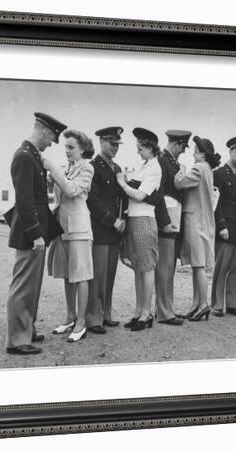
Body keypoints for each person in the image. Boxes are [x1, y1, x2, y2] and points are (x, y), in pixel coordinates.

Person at [6, 112, 67, 355]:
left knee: (32, 286)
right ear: (44, 131)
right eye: (52, 138)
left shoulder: (32, 156)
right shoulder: (24, 157)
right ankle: (17, 340)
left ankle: (27, 330)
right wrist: (35, 234)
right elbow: (25, 201)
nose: (51, 143)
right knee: (23, 286)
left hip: (37, 232)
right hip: (31, 235)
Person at [44, 130, 95, 342]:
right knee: (67, 274)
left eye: (71, 147)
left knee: (80, 275)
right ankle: (70, 316)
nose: (67, 151)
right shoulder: (65, 168)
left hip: (80, 228)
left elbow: (72, 190)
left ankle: (81, 322)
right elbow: (57, 191)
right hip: (63, 227)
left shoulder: (87, 168)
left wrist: (53, 171)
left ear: (82, 149)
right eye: (65, 147)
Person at [116, 127, 162, 332]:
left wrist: (122, 184)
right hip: (135, 219)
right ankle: (138, 312)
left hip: (144, 219)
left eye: (140, 148)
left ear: (150, 148)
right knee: (138, 268)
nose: (138, 152)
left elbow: (141, 195)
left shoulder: (154, 168)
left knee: (147, 268)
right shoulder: (144, 167)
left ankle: (147, 313)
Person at [174, 136, 221, 321]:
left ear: (202, 154)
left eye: (195, 151)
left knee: (199, 265)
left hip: (195, 221)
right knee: (197, 264)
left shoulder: (198, 168)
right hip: (204, 221)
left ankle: (203, 305)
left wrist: (179, 171)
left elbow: (179, 183)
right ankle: (196, 304)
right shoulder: (208, 169)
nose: (193, 153)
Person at [85, 127, 127, 335]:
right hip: (101, 228)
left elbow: (122, 198)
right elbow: (92, 200)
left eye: (117, 144)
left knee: (110, 274)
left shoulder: (117, 168)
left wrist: (123, 220)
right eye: (112, 144)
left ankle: (106, 313)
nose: (115, 148)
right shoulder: (94, 167)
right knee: (98, 275)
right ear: (101, 142)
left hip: (115, 230)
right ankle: (94, 317)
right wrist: (113, 221)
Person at [153, 130, 192, 326]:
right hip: (166, 223)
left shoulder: (172, 162)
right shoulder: (162, 161)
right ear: (177, 143)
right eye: (183, 148)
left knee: (169, 267)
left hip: (174, 221)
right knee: (164, 268)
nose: (182, 152)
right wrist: (164, 221)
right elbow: (159, 193)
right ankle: (164, 312)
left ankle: (166, 308)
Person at [211, 136, 236, 317]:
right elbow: (215, 203)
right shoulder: (219, 174)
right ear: (230, 151)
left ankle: (233, 304)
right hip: (226, 227)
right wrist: (221, 225)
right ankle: (218, 304)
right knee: (222, 267)